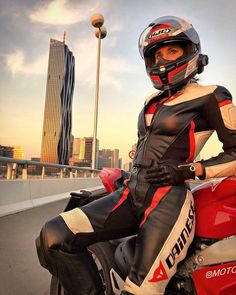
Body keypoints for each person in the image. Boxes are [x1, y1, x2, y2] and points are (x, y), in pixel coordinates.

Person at [36, 16, 236, 295]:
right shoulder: (151, 102)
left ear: (191, 51)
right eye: (155, 54)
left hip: (167, 202)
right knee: (52, 237)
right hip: (131, 194)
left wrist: (188, 171)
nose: (162, 60)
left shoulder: (211, 95)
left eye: (172, 50)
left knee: (140, 291)